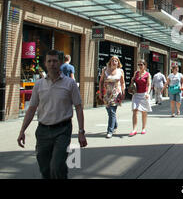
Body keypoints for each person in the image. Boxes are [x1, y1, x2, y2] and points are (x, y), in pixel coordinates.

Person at [17, 50, 87, 179]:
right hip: (43, 130)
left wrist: (81, 131)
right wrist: (22, 131)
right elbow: (32, 109)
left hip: (63, 130)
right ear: (45, 63)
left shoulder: (70, 83)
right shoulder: (39, 84)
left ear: (60, 62)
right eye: (49, 61)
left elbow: (78, 107)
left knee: (56, 165)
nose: (52, 64)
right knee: (45, 169)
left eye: (55, 61)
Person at [99, 55, 125, 139]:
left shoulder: (120, 71)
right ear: (110, 61)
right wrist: (100, 93)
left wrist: (123, 92)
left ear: (118, 63)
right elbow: (101, 82)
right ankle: (115, 125)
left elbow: (122, 82)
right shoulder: (105, 70)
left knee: (112, 111)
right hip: (107, 93)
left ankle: (110, 131)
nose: (114, 62)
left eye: (116, 60)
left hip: (116, 94)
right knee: (109, 111)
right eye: (113, 60)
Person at [129, 60, 152, 136]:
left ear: (145, 65)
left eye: (141, 64)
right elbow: (132, 81)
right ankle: (134, 129)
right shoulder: (136, 73)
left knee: (144, 112)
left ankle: (143, 128)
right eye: (139, 64)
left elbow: (149, 85)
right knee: (135, 111)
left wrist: (148, 93)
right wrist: (132, 80)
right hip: (136, 94)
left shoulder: (147, 74)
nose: (140, 66)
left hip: (144, 94)